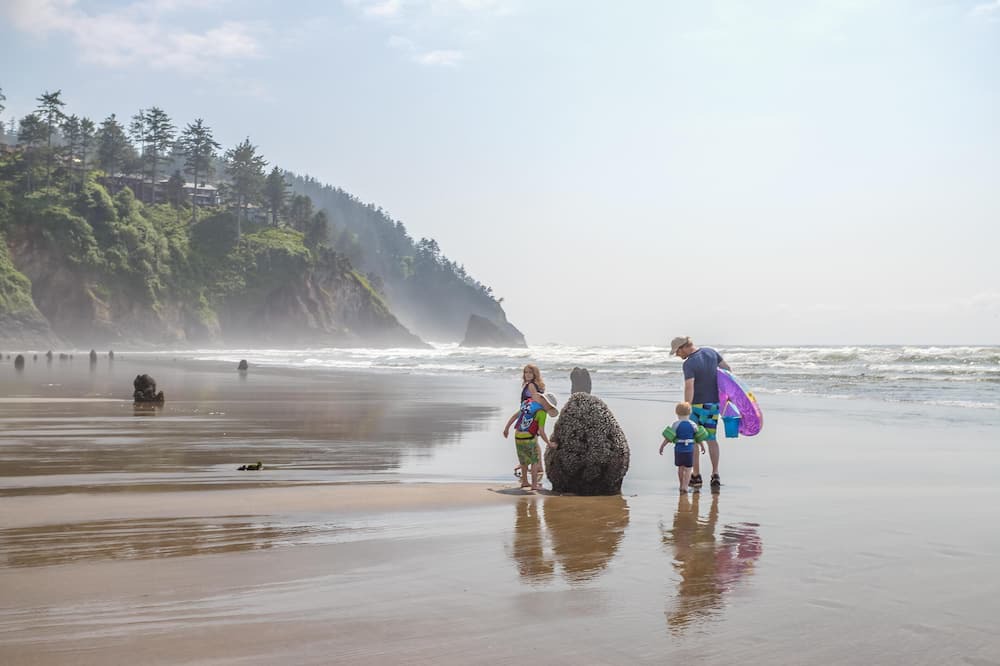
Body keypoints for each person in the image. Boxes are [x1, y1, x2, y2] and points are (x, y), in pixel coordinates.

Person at [670, 336, 731, 489]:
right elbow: (728, 370)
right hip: (713, 406)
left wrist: (686, 406)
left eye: (677, 352)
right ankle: (715, 474)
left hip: (696, 406)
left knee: (695, 441)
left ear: (683, 347)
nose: (677, 355)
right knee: (711, 438)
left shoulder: (689, 363)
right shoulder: (711, 352)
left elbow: (689, 386)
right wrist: (727, 395)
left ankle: (696, 476)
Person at [503, 392, 558, 490]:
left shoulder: (527, 405)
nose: (548, 408)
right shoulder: (541, 413)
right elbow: (541, 432)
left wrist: (506, 428)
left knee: (523, 461)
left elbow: (514, 416)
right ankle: (534, 485)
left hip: (518, 436)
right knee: (534, 461)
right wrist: (549, 443)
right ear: (543, 400)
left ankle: (524, 482)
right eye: (549, 406)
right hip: (529, 438)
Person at [660, 402, 709, 492]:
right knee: (688, 468)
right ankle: (685, 486)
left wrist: (662, 446)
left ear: (677, 413)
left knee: (680, 468)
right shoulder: (693, 424)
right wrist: (702, 446)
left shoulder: (675, 424)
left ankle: (681, 484)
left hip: (678, 450)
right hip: (689, 450)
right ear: (690, 413)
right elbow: (698, 438)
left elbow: (669, 437)